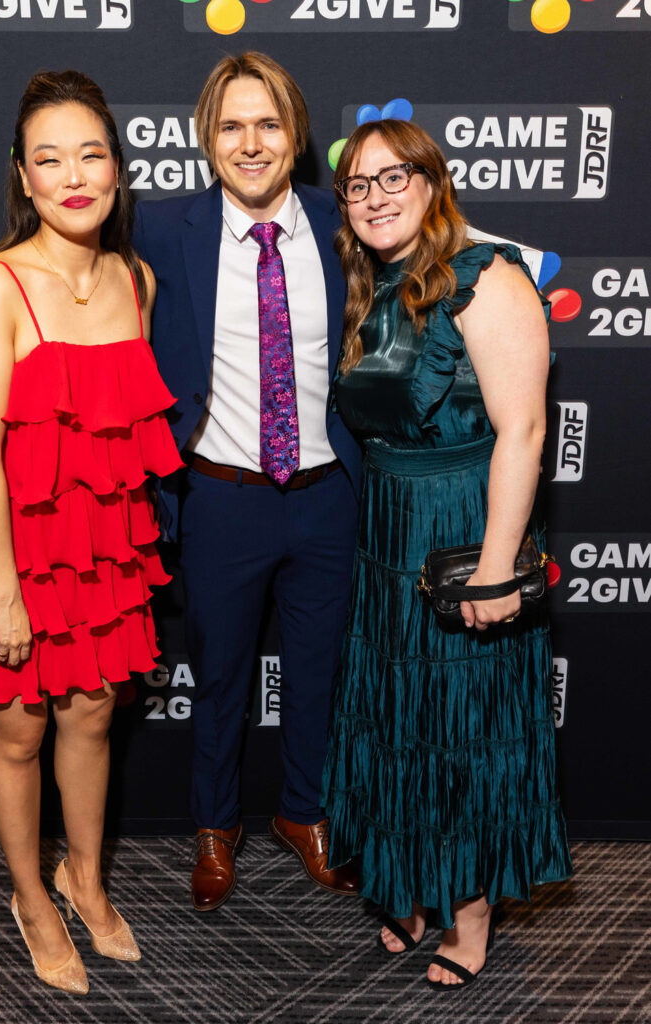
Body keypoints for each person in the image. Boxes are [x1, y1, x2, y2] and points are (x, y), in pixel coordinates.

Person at [0, 52, 361, 913]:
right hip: (216, 494)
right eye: (231, 126)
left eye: (269, 125)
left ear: (298, 136)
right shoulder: (164, 234)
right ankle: (213, 830)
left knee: (319, 672)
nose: (251, 144)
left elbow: (435, 237)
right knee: (217, 677)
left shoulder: (343, 222)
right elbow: (44, 255)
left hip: (327, 491)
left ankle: (304, 814)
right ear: (203, 141)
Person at [0, 70, 182, 993]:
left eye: (91, 154)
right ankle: (30, 893)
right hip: (11, 554)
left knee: (94, 719)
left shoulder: (135, 279)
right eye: (49, 158)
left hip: (102, 543)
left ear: (117, 168)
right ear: (22, 178)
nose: (73, 175)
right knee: (17, 733)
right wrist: (3, 598)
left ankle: (86, 878)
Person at [321, 119, 572, 990]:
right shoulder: (371, 284)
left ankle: (470, 919)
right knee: (400, 721)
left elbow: (524, 429)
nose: (375, 197)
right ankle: (414, 888)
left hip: (468, 522)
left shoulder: (487, 274)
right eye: (357, 185)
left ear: (433, 182)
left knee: (464, 727)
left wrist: (499, 568)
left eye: (394, 177)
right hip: (389, 529)